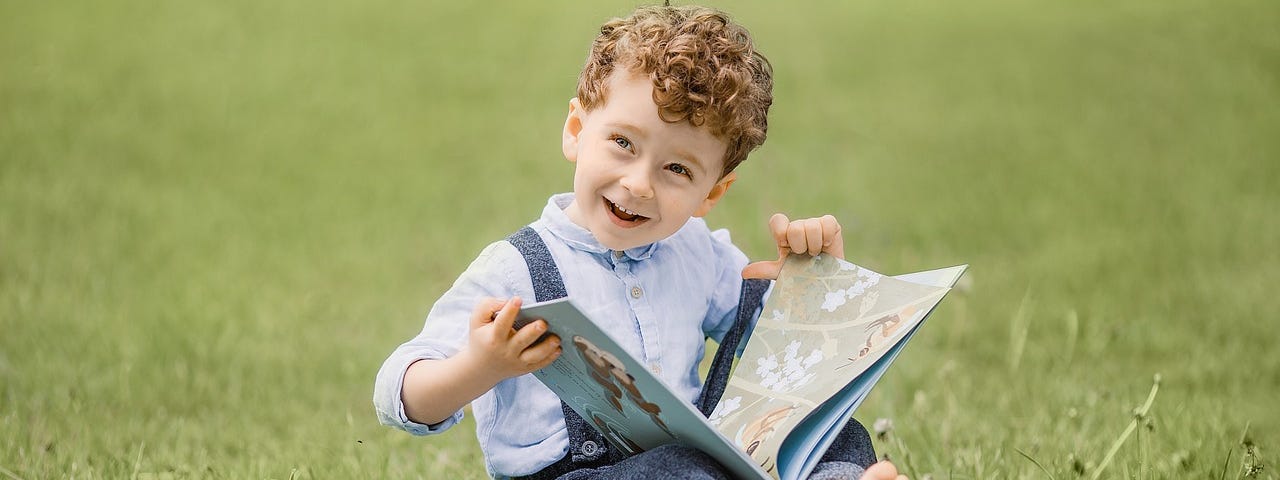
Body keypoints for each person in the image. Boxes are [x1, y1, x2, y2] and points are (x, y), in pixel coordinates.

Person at [374, 5, 908, 480]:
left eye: (677, 168)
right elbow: (398, 391)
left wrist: (814, 279)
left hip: (690, 463)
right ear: (576, 129)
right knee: (684, 467)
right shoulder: (515, 268)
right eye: (623, 143)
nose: (638, 184)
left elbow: (777, 359)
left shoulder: (699, 252)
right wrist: (479, 367)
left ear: (711, 193)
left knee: (829, 432)